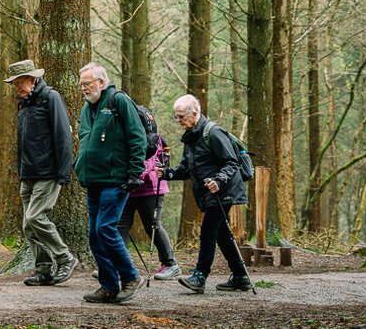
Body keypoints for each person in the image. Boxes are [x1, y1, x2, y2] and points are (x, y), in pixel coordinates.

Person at [156, 94, 252, 293]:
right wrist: (166, 173)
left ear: (195, 113)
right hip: (210, 192)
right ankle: (240, 276)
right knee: (222, 235)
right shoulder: (191, 136)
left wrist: (219, 180)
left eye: (181, 116)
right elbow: (186, 169)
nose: (179, 120)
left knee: (208, 230)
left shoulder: (213, 133)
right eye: (176, 116)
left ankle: (200, 276)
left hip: (223, 190)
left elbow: (231, 161)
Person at [73, 62, 146, 303]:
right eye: (82, 84)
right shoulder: (87, 108)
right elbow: (85, 140)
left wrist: (135, 172)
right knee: (95, 235)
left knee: (105, 228)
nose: (84, 88)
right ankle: (108, 285)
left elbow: (137, 137)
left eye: (88, 83)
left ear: (101, 83)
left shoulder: (119, 101)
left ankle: (130, 277)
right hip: (93, 180)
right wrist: (78, 165)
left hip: (117, 179)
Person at [4, 59, 79, 286]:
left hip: (48, 172)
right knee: (29, 225)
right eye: (14, 83)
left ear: (33, 78)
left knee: (36, 217)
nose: (17, 87)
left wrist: (64, 172)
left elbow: (63, 137)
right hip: (28, 174)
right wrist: (22, 171)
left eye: (20, 82)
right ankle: (43, 270)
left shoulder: (50, 97)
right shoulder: (23, 103)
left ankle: (65, 258)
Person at [116, 135, 182, 280]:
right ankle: (118, 265)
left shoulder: (152, 137)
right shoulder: (123, 134)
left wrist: (134, 176)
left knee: (152, 226)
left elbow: (149, 161)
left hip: (150, 189)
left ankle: (170, 264)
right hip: (128, 188)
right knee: (120, 226)